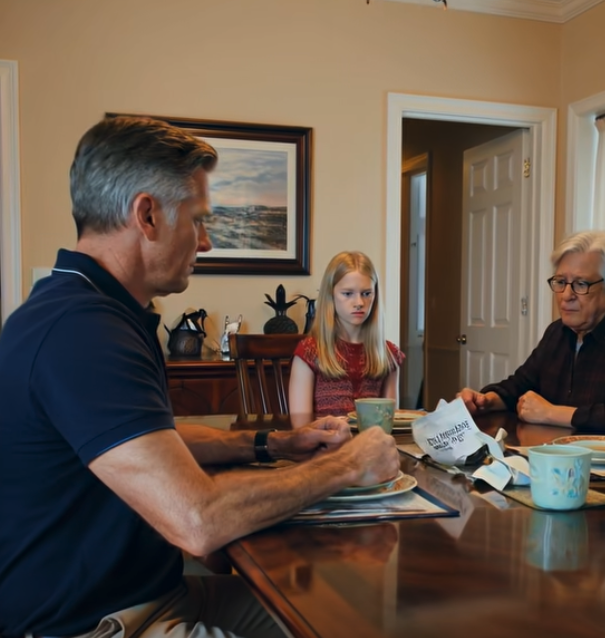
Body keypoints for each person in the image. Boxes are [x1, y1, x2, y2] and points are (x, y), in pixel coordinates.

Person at [0, 116, 400, 638]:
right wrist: (347, 464)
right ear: (146, 215)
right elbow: (197, 520)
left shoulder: (97, 309)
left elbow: (146, 437)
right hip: (97, 623)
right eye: (198, 220)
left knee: (345, 615)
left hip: (153, 592)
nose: (207, 241)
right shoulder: (81, 331)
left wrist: (274, 443)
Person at [457, 230, 605, 447]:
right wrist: (485, 401)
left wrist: (551, 413)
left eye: (581, 284)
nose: (566, 295)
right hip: (565, 463)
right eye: (560, 282)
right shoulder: (558, 332)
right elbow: (521, 384)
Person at [288, 251, 404, 427]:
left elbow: (390, 423)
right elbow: (300, 429)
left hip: (372, 449)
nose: (359, 302)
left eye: (366, 293)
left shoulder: (389, 355)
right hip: (325, 449)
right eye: (348, 294)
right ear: (331, 296)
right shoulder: (309, 353)